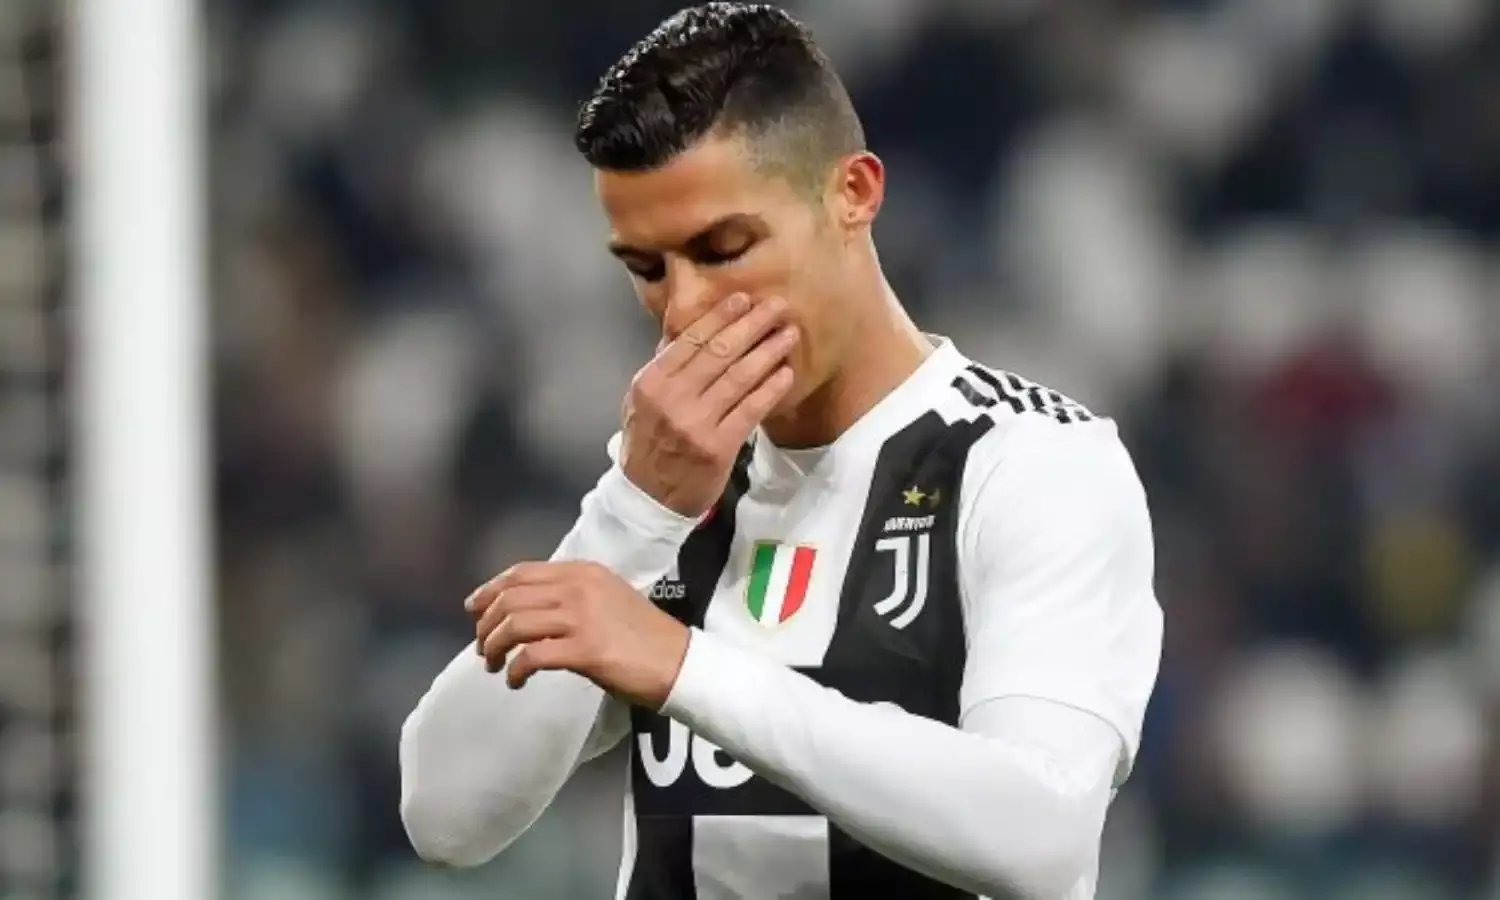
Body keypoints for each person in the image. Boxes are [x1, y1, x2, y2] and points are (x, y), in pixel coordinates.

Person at [398, 4, 1163, 899]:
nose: (683, 310)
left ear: (854, 195)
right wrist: (631, 516)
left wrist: (684, 668)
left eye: (724, 248)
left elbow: (1040, 837)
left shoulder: (1032, 463)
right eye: (646, 268)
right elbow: (445, 816)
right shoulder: (666, 488)